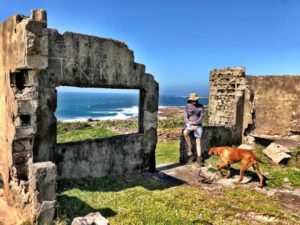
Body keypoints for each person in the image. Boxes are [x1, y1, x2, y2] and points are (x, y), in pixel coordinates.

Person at [183, 92, 205, 166]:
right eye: (192, 100)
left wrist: (195, 123)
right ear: (190, 100)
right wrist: (190, 123)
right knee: (185, 132)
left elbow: (201, 117)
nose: (194, 101)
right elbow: (185, 117)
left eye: (195, 100)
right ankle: (190, 146)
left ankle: (199, 157)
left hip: (198, 125)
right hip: (189, 124)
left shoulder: (201, 106)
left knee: (198, 141)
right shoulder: (187, 106)